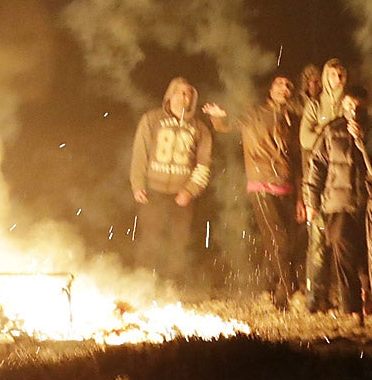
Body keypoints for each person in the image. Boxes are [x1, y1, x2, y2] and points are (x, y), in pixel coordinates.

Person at [304, 83, 372, 338]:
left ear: (367, 106)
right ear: (343, 106)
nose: (354, 111)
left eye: (358, 106)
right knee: (343, 253)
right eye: (349, 106)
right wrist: (312, 202)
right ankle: (353, 311)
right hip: (339, 203)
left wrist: (363, 141)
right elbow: (316, 167)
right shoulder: (331, 132)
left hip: (370, 203)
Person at [203, 75, 302, 306]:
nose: (284, 88)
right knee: (280, 240)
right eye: (279, 84)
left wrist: (300, 195)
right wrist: (218, 118)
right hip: (261, 184)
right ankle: (290, 290)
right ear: (271, 89)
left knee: (274, 243)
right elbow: (228, 125)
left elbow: (297, 158)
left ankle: (270, 292)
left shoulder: (292, 118)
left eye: (288, 85)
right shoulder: (255, 113)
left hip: (286, 186)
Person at [129, 76, 213, 287]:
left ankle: (171, 285)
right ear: (170, 95)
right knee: (150, 240)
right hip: (153, 191)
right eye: (180, 92)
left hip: (182, 195)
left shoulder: (200, 129)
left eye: (189, 94)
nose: (184, 97)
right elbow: (140, 153)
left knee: (179, 243)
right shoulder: (152, 119)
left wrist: (190, 190)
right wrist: (137, 183)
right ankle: (143, 284)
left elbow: (204, 164)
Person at [297, 58, 348, 309]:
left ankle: (341, 297)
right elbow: (306, 139)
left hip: (343, 184)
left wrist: (323, 130)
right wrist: (327, 131)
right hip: (319, 180)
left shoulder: (350, 104)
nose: (337, 78)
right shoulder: (316, 105)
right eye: (333, 74)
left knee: (341, 242)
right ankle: (315, 296)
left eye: (341, 74)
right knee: (316, 241)